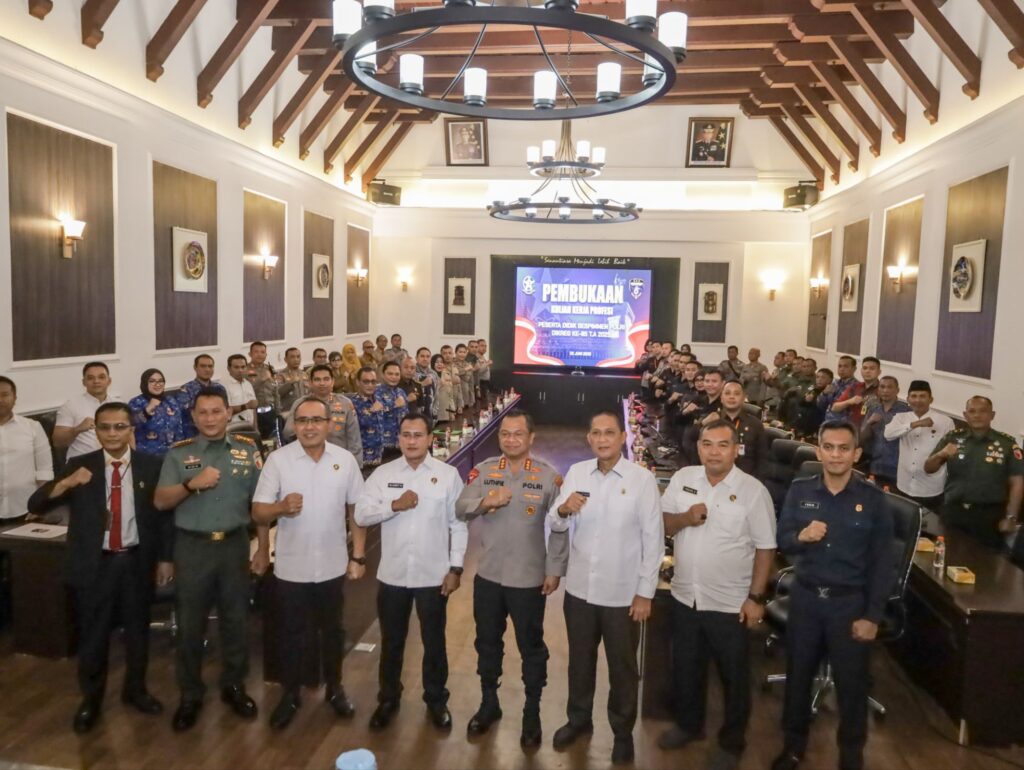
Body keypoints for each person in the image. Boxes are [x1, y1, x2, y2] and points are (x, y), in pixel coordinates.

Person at [29, 402, 173, 733]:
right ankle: (91, 699)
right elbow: (36, 504)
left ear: (131, 429)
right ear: (95, 431)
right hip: (96, 564)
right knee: (93, 635)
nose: (112, 433)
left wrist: (166, 558)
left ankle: (135, 691)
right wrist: (67, 483)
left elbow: (163, 518)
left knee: (138, 631)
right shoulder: (80, 465)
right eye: (104, 427)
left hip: (136, 561)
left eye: (120, 426)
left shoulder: (151, 465)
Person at [772, 420, 895, 770]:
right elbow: (782, 539)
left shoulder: (873, 500)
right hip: (807, 600)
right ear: (819, 451)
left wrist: (872, 616)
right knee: (798, 680)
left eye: (844, 448)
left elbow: (883, 564)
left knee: (852, 687)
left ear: (856, 454)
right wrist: (801, 537)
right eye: (829, 447)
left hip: (849, 604)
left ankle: (851, 755)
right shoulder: (800, 490)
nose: (836, 455)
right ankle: (793, 747)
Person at [547, 410, 664, 766]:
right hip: (580, 590)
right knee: (579, 663)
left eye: (609, 433)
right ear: (589, 438)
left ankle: (622, 733)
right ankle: (578, 720)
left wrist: (645, 592)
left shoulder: (641, 480)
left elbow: (653, 540)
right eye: (596, 433)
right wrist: (563, 510)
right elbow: (555, 523)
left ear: (622, 437)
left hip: (622, 595)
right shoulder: (577, 472)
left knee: (622, 668)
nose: (602, 439)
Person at [659, 420, 776, 770]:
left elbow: (766, 548)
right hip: (685, 595)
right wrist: (685, 518)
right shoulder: (683, 478)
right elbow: (662, 523)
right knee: (686, 669)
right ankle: (689, 725)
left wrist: (756, 598)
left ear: (736, 449)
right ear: (698, 448)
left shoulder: (753, 491)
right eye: (707, 444)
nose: (714, 452)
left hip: (730, 602)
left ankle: (732, 741)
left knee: (734, 677)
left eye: (722, 445)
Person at [154, 388, 270, 732]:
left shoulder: (248, 451)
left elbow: (261, 505)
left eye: (216, 411)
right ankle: (190, 694)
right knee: (190, 624)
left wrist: (263, 548)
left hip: (235, 544)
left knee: (236, 620)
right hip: (193, 548)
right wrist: (191, 485)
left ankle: (234, 686)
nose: (209, 418)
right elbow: (160, 501)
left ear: (228, 413)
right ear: (193, 416)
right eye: (202, 412)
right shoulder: (179, 454)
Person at [455, 410, 569, 748]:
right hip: (489, 575)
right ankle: (489, 703)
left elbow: (560, 526)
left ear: (531, 438)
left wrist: (555, 569)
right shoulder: (485, 470)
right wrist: (485, 501)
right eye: (505, 434)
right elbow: (460, 508)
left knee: (531, 647)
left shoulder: (549, 477)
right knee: (486, 643)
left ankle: (532, 712)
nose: (511, 440)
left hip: (528, 578)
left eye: (518, 434)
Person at [253, 396, 367, 729]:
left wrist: (358, 555)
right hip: (292, 567)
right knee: (292, 633)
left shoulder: (345, 460)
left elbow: (356, 510)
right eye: (302, 421)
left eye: (316, 420)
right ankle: (290, 694)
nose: (309, 427)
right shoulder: (278, 461)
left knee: (333, 631)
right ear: (294, 425)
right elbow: (258, 511)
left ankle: (335, 688)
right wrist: (280, 508)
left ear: (329, 424)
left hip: (332, 564)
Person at [354, 413, 467, 732]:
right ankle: (388, 699)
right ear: (399, 438)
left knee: (434, 642)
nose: (411, 441)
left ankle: (436, 700)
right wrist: (394, 506)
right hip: (393, 576)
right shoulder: (383, 474)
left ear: (430, 438)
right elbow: (361, 515)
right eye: (406, 435)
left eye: (418, 435)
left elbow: (458, 524)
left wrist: (456, 567)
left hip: (434, 576)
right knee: (392, 642)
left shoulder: (447, 475)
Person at [924, 396, 1024, 548]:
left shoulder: (1007, 444)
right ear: (965, 415)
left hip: (990, 515)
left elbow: (1018, 482)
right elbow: (928, 468)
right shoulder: (952, 438)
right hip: (953, 511)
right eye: (972, 411)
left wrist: (1011, 517)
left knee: (986, 559)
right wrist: (941, 454)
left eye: (983, 411)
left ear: (992, 415)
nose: (977, 415)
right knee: (948, 553)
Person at [883, 380, 954, 510]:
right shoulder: (901, 418)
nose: (918, 400)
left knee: (931, 522)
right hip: (904, 484)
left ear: (931, 399)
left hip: (931, 487)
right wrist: (915, 424)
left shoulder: (945, 422)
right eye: (914, 396)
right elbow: (888, 434)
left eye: (922, 396)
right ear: (908, 399)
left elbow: (949, 452)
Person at [281, 365, 363, 468]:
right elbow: (287, 433)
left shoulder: (345, 403)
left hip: (339, 461)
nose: (322, 383)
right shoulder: (300, 404)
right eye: (317, 380)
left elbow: (354, 439)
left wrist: (355, 466)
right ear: (310, 383)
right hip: (307, 461)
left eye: (326, 379)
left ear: (332, 382)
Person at [0, 376, 54, 521]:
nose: (0, 400)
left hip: (26, 509)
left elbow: (45, 471)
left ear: (14, 398)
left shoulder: (32, 427)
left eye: (5, 395)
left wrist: (40, 505)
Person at [53, 362, 120, 459]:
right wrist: (78, 429)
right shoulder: (70, 405)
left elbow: (129, 435)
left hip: (114, 460)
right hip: (82, 462)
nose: (96, 381)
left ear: (109, 381)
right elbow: (58, 443)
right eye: (90, 378)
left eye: (101, 377)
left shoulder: (119, 405)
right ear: (83, 382)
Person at [859, 376, 910, 490]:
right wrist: (869, 423)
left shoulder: (906, 411)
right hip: (874, 466)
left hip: (896, 470)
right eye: (882, 387)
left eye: (890, 387)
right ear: (878, 390)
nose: (885, 390)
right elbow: (861, 438)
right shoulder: (873, 408)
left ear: (897, 390)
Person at [717, 380, 770, 479]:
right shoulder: (713, 422)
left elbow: (763, 461)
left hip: (746, 480)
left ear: (743, 398)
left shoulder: (755, 425)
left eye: (736, 394)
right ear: (721, 398)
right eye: (727, 393)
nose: (731, 397)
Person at [129, 369, 185, 457]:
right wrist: (146, 411)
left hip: (172, 455)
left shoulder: (170, 400)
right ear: (144, 383)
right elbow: (130, 426)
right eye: (152, 381)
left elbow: (179, 428)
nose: (157, 384)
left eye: (161, 381)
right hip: (146, 456)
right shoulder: (136, 402)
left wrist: (182, 450)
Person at [177, 354, 225, 439]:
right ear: (195, 368)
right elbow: (185, 414)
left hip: (218, 433)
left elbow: (224, 410)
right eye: (203, 366)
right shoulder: (186, 389)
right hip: (194, 435)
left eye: (210, 366)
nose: (207, 369)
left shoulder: (219, 388)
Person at [246, 341, 280, 439]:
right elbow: (247, 391)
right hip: (254, 414)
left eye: (262, 352)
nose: (259, 354)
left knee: (272, 441)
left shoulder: (269, 368)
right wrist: (262, 379)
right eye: (256, 352)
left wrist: (278, 411)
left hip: (270, 412)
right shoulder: (245, 370)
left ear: (266, 354)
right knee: (257, 440)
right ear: (250, 354)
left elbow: (275, 390)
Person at [817, 356, 864, 426]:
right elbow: (821, 406)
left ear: (854, 369)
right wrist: (824, 394)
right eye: (840, 366)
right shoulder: (834, 384)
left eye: (846, 366)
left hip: (842, 425)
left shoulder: (856, 387)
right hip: (828, 423)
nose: (842, 369)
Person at [378, 362, 409, 461]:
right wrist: (394, 405)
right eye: (390, 374)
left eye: (397, 374)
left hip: (401, 444)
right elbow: (372, 415)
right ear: (383, 375)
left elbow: (406, 416)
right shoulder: (376, 392)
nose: (394, 377)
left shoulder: (401, 392)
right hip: (383, 446)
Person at [224, 354, 258, 428]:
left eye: (243, 367)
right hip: (233, 428)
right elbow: (224, 411)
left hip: (250, 427)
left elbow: (253, 408)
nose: (240, 370)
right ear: (228, 368)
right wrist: (246, 406)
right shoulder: (224, 386)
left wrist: (256, 428)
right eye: (236, 367)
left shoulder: (248, 384)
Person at [277, 347, 310, 416]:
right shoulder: (281, 375)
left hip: (305, 410)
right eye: (292, 357)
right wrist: (290, 383)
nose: (296, 359)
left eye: (298, 357)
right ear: (286, 359)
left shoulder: (305, 374)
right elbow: (277, 393)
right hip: (289, 412)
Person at [431, 353, 456, 424]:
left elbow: (450, 396)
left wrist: (452, 411)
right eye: (437, 362)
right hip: (435, 414)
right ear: (432, 364)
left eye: (441, 362)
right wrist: (439, 385)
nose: (439, 364)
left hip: (446, 413)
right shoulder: (430, 376)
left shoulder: (447, 375)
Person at [477, 339, 493, 404]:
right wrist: (487, 364)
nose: (484, 348)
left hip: (485, 383)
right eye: (482, 346)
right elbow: (478, 371)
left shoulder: (482, 356)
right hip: (480, 383)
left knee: (485, 402)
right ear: (477, 346)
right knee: (482, 403)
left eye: (485, 346)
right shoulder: (476, 357)